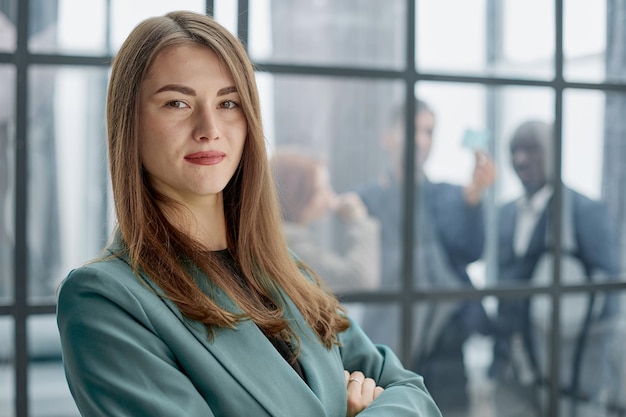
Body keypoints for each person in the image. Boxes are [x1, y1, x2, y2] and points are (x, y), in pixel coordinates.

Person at [55, 11, 442, 417]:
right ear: (128, 121)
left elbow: (410, 391)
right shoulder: (105, 299)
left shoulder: (284, 271)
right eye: (177, 102)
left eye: (228, 102)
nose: (209, 127)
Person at [357, 98, 495, 416]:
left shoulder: (449, 194)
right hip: (393, 339)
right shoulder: (367, 198)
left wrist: (473, 200)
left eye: (429, 131)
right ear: (387, 137)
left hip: (446, 342)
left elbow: (472, 252)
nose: (422, 140)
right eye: (413, 129)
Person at [489, 120, 620, 417]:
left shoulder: (586, 212)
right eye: (514, 151)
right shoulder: (504, 214)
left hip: (567, 374)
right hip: (510, 372)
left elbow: (609, 299)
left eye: (532, 149)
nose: (521, 159)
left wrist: (587, 376)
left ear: (555, 151)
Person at [270, 148, 380, 294]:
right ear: (296, 194)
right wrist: (359, 220)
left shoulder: (283, 236)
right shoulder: (291, 244)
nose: (330, 196)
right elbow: (358, 279)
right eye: (320, 189)